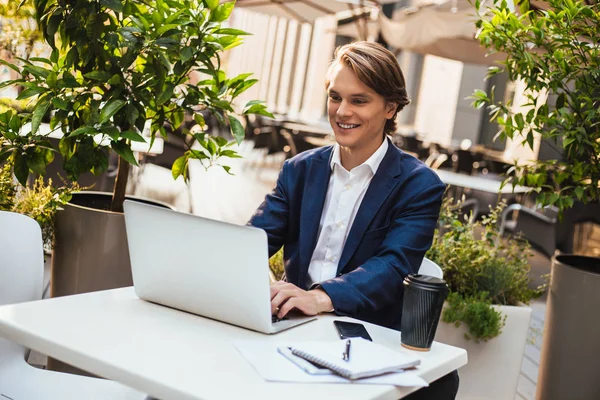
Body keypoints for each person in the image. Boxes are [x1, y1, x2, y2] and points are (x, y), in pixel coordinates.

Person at [249, 41, 458, 399]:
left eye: (359, 100)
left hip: (363, 334)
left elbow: (394, 267)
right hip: (293, 325)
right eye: (335, 97)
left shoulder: (419, 185)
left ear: (390, 108)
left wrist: (321, 297)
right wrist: (242, 275)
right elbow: (254, 240)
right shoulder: (299, 170)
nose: (342, 111)